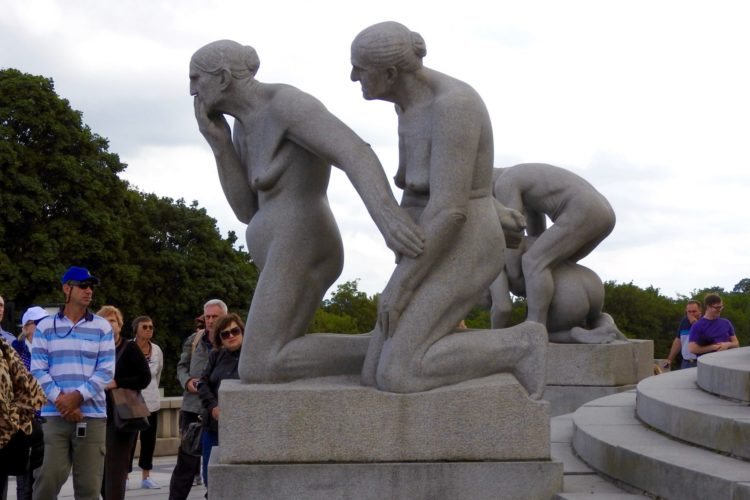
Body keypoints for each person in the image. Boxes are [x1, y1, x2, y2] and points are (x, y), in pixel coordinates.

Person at [189, 40, 424, 385]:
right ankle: (395, 344)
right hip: (277, 244)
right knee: (268, 357)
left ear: (223, 78)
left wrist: (388, 219)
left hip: (303, 239)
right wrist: (219, 143)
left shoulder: (286, 105)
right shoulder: (241, 126)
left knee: (259, 363)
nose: (192, 89)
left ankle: (399, 344)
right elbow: (245, 210)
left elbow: (354, 152)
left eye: (196, 78)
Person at [351, 22, 546, 396]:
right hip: (431, 241)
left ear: (390, 73)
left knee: (398, 374)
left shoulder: (453, 105)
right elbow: (414, 192)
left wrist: (400, 284)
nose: (353, 77)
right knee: (372, 371)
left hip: (465, 239)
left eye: (360, 69)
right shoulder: (406, 106)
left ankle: (522, 344)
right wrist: (402, 250)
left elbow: (451, 209)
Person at [491, 163, 616, 328]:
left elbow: (513, 231)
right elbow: (536, 232)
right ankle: (593, 321)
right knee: (555, 267)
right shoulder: (520, 175)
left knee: (533, 262)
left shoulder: (503, 183)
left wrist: (513, 275)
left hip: (583, 209)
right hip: (604, 214)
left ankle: (534, 326)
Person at [31, 266, 115, 500]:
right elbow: (37, 369)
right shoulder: (45, 327)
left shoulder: (102, 327)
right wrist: (62, 401)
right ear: (66, 288)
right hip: (54, 415)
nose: (89, 291)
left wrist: (76, 397)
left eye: (91, 287)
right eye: (83, 286)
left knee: (89, 488)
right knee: (46, 482)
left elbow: (106, 370)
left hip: (92, 416)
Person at [169, 299, 227, 500]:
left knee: (217, 465)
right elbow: (181, 366)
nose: (211, 321)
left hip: (218, 411)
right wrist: (187, 382)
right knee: (186, 463)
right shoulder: (194, 340)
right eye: (208, 317)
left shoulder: (231, 341)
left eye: (215, 317)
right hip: (193, 408)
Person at [98, 305, 150, 500]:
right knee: (97, 470)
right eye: (104, 321)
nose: (109, 325)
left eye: (112, 321)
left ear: (119, 325)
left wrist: (117, 382)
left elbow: (144, 378)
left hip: (121, 416)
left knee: (115, 470)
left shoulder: (129, 348)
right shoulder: (95, 348)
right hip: (96, 414)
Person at [197, 313, 244, 487]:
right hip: (214, 427)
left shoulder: (251, 358)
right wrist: (213, 407)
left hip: (241, 428)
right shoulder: (215, 356)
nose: (231, 336)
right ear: (220, 338)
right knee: (211, 478)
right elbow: (202, 383)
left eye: (235, 331)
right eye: (225, 334)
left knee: (237, 479)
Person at [0, 337, 45, 500]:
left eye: (2, 308)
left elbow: (28, 389)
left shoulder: (4, 346)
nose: (1, 309)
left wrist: (17, 417)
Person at [10, 306, 47, 500]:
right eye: (38, 323)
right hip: (23, 422)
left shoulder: (51, 350)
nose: (43, 327)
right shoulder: (15, 350)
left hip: (47, 419)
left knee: (47, 479)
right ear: (26, 327)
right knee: (24, 480)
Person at [128, 315, 164, 489]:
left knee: (149, 440)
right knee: (130, 440)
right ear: (136, 329)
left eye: (151, 327)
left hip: (152, 401)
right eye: (145, 327)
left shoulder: (156, 350)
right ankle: (125, 476)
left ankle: (146, 476)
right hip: (132, 401)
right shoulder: (129, 347)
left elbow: (158, 375)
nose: (149, 330)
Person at [664, 300, 702, 369]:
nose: (691, 314)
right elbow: (678, 341)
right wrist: (670, 359)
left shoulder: (705, 322)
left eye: (694, 311)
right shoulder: (684, 321)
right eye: (689, 312)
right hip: (686, 362)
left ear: (700, 311)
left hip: (700, 362)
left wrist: (695, 324)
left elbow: (704, 337)